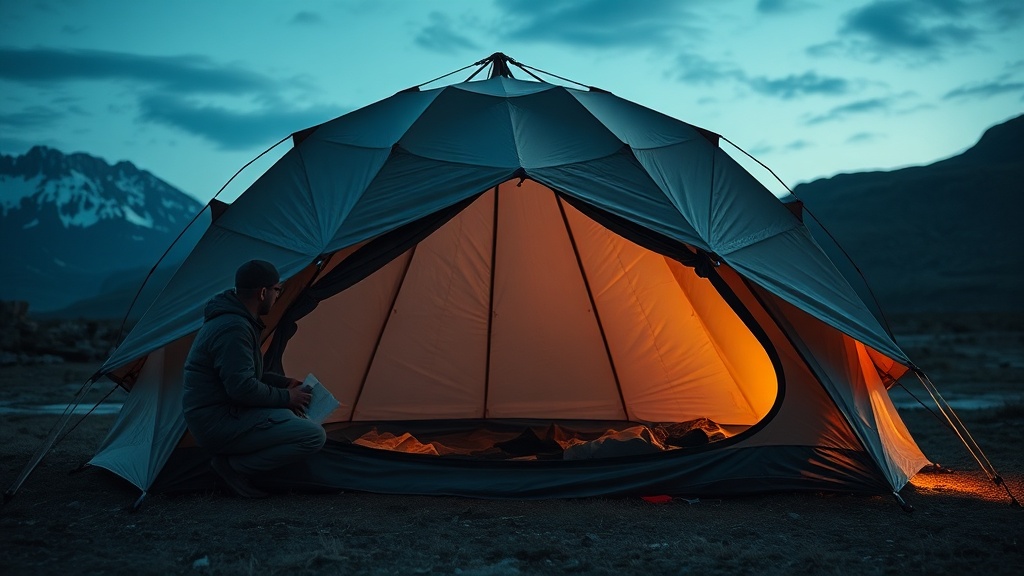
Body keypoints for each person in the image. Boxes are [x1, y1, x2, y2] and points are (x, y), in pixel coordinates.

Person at [182, 259, 326, 498]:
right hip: (219, 422)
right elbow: (241, 388)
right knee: (312, 435)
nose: (277, 296)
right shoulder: (234, 328)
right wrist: (286, 398)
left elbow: (244, 375)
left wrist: (283, 384)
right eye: (277, 290)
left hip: (224, 415)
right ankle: (233, 468)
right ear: (263, 292)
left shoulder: (235, 321)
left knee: (290, 416)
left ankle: (233, 463)